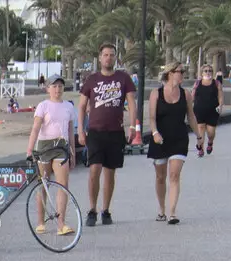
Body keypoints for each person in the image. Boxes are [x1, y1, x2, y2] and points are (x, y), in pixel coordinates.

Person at [77, 43, 138, 226]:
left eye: (112, 55)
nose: (108, 58)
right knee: (94, 169)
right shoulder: (92, 79)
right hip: (95, 131)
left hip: (115, 132)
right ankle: (92, 209)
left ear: (115, 58)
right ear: (100, 57)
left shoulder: (123, 78)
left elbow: (132, 104)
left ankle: (105, 210)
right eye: (105, 55)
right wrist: (81, 130)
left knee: (110, 173)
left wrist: (133, 127)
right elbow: (81, 106)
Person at [26, 76, 77, 235]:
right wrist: (29, 150)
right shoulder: (43, 106)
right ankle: (41, 221)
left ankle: (61, 223)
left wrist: (73, 152)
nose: (57, 89)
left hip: (61, 146)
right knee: (43, 184)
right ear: (48, 88)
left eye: (60, 86)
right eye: (54, 86)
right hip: (44, 146)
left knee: (63, 185)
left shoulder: (68, 106)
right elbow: (35, 128)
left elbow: (70, 130)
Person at [147, 64, 195, 224]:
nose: (182, 74)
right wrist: (154, 132)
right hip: (159, 139)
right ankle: (162, 210)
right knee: (161, 177)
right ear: (169, 73)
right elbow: (152, 118)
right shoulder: (156, 94)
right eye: (179, 72)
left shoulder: (185, 94)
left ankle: (173, 213)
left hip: (179, 139)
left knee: (174, 175)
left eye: (183, 72)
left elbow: (191, 116)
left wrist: (200, 136)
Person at [193, 66, 223, 156]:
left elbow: (220, 96)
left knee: (210, 132)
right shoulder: (197, 83)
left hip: (212, 111)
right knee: (200, 129)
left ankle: (210, 142)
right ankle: (200, 148)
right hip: (199, 110)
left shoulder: (217, 83)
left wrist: (220, 105)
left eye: (210, 71)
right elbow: (192, 95)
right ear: (202, 73)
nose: (208, 72)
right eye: (205, 71)